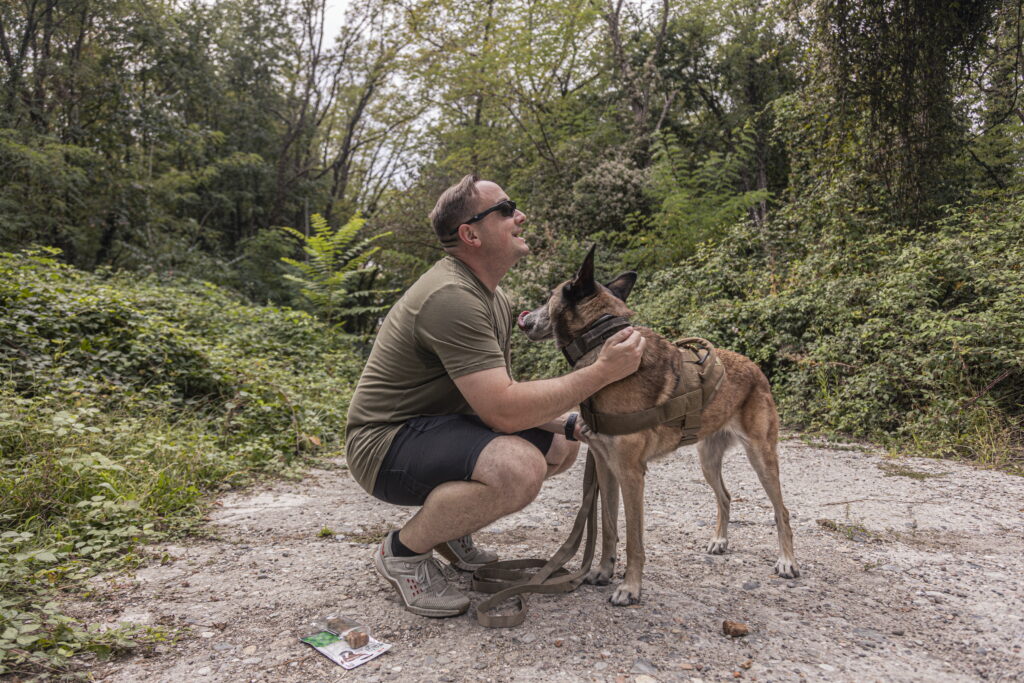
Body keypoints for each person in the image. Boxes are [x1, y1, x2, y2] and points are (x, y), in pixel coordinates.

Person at [344, 174, 646, 617]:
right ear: (470, 234)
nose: (520, 216)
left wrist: (565, 423)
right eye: (506, 209)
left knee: (562, 446)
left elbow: (496, 398)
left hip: (437, 426)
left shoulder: (492, 297)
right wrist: (603, 372)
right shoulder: (451, 296)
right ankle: (404, 552)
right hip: (383, 445)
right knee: (518, 469)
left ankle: (450, 528)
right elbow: (504, 411)